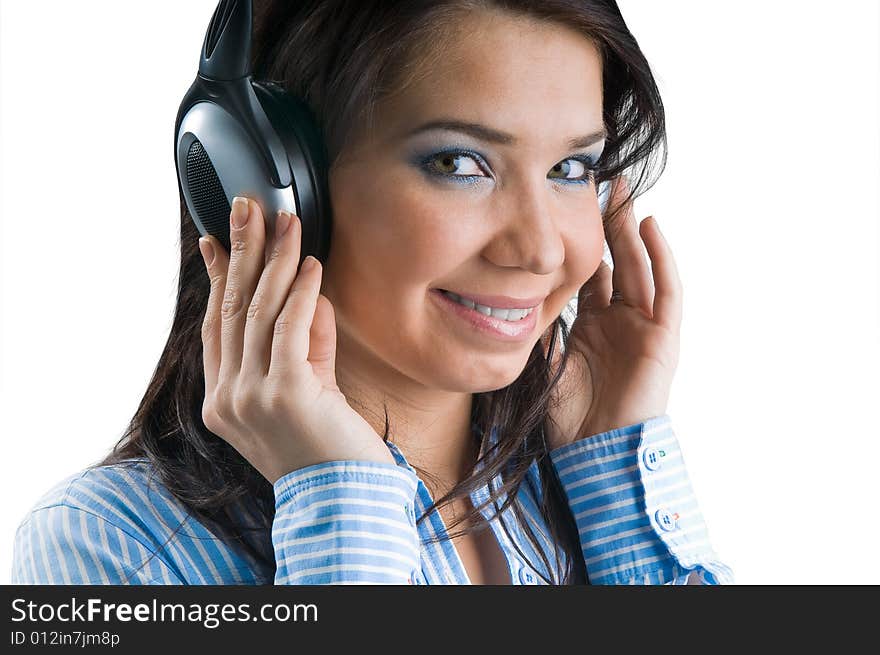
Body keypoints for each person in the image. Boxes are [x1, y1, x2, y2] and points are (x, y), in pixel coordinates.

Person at [10, 0, 733, 585]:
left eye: (572, 168)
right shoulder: (109, 548)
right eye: (459, 163)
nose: (542, 248)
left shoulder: (566, 489)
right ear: (268, 182)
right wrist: (338, 505)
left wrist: (614, 462)